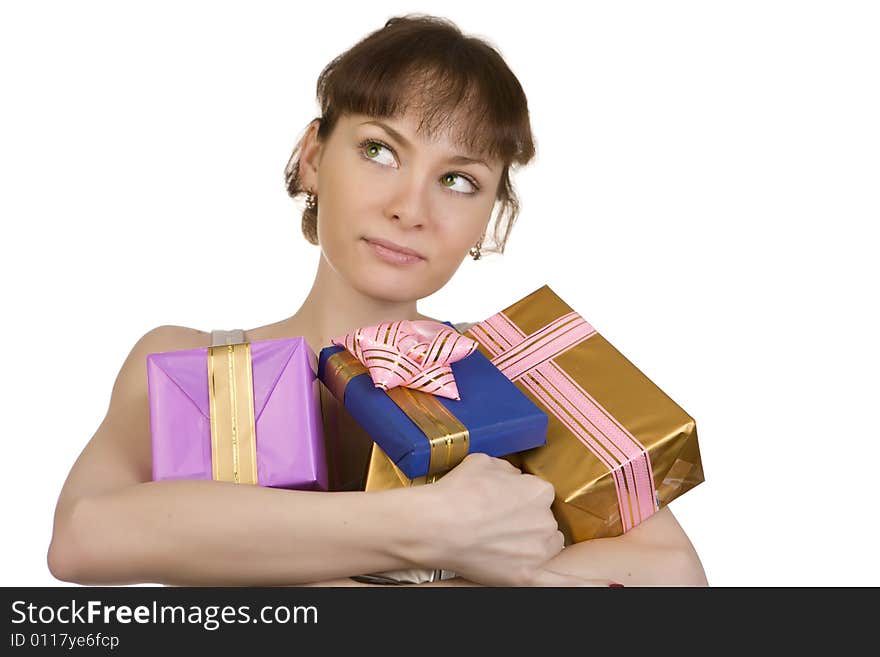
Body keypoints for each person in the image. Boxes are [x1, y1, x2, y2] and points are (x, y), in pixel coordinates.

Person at [47, 14, 708, 587]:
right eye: (380, 150)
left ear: (489, 220)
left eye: (458, 179)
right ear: (312, 156)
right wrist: (433, 529)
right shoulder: (187, 363)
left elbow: (673, 574)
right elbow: (82, 536)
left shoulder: (521, 365)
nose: (409, 208)